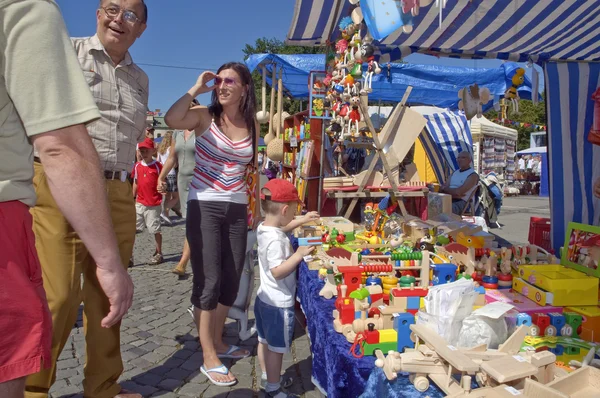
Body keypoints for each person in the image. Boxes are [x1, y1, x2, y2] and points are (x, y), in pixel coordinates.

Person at [0, 1, 134, 397]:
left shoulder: (141, 78)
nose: (118, 18)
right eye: (112, 8)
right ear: (97, 13)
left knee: (107, 304)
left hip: (115, 187)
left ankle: (104, 386)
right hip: (61, 183)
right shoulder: (64, 44)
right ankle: (35, 388)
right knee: (55, 295)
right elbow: (60, 145)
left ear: (142, 28)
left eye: (130, 14)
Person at [164, 62, 260, 386]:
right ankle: (208, 355)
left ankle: (218, 340)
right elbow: (171, 119)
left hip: (236, 208)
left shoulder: (250, 124)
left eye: (229, 81)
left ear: (245, 87)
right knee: (210, 280)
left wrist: (255, 208)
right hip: (204, 205)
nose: (222, 85)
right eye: (219, 80)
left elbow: (252, 171)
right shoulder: (204, 115)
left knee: (231, 280)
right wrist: (195, 89)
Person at [255, 179, 318, 398]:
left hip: (263, 299)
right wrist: (298, 255)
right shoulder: (275, 241)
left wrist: (303, 219)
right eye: (293, 211)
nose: (293, 215)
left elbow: (283, 226)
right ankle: (273, 388)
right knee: (277, 349)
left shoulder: (264, 228)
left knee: (264, 342)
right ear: (283, 209)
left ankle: (267, 375)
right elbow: (278, 271)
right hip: (278, 304)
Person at [133, 138, 164, 265]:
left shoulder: (157, 166)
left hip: (153, 204)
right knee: (133, 230)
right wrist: (132, 198)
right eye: (141, 150)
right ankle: (129, 255)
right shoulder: (137, 166)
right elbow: (135, 182)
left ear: (153, 151)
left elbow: (162, 180)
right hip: (139, 203)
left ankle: (158, 252)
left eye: (146, 150)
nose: (144, 152)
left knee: (155, 229)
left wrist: (162, 186)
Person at [156, 130, 180, 224]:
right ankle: (164, 211)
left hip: (163, 174)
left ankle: (166, 215)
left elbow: (159, 161)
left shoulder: (160, 150)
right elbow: (174, 163)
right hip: (171, 174)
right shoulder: (171, 149)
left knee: (167, 196)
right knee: (175, 197)